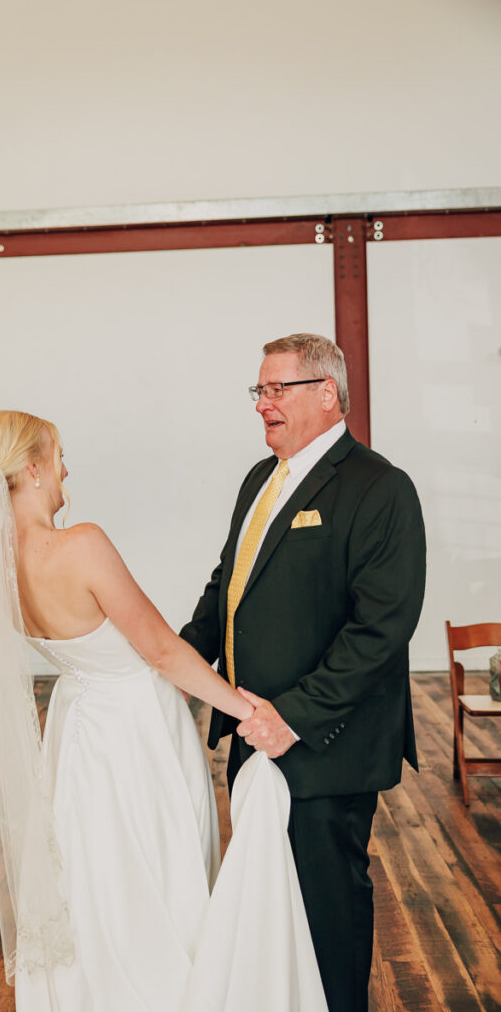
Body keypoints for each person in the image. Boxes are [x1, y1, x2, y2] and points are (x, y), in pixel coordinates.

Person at [0, 409, 328, 1012]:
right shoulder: (80, 544)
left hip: (76, 731)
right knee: (157, 863)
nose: (68, 468)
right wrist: (249, 710)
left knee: (95, 870)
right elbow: (159, 648)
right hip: (135, 730)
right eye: (60, 454)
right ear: (34, 468)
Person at [180, 334, 426, 1012]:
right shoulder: (259, 480)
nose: (262, 404)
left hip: (324, 744)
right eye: (257, 391)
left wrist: (292, 716)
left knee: (324, 909)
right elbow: (226, 588)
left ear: (326, 393)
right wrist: (175, 661)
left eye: (275, 389)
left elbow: (379, 628)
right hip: (250, 733)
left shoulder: (380, 488)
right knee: (267, 907)